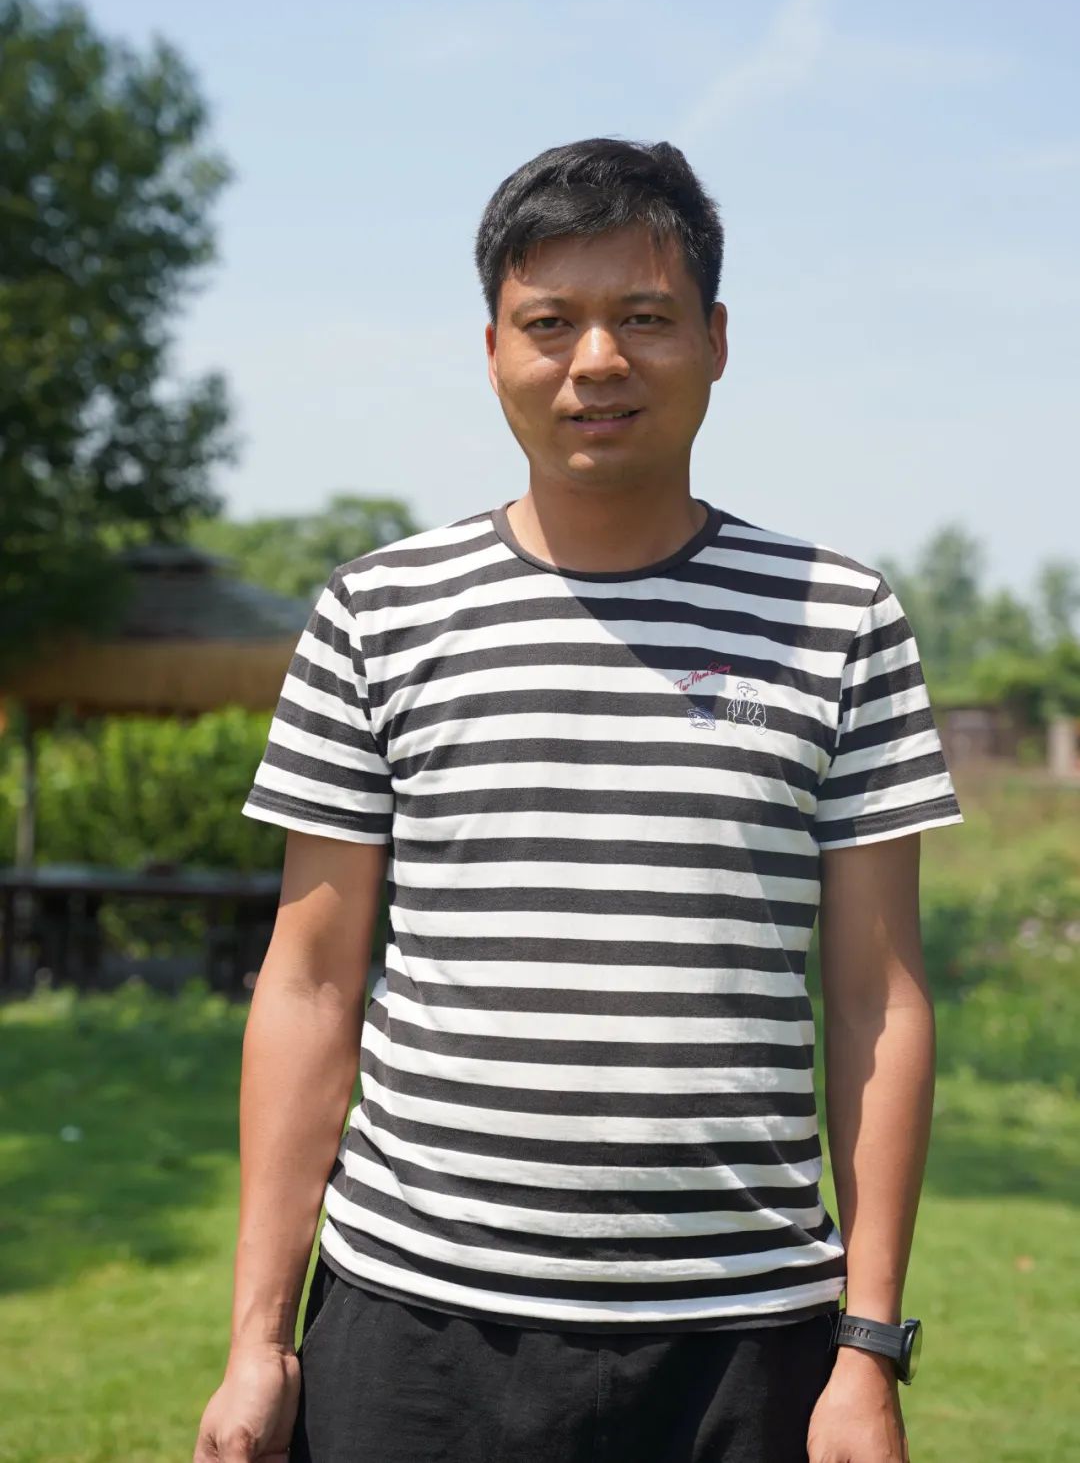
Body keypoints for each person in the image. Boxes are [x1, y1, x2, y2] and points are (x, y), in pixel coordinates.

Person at [193, 137, 964, 1463]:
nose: (596, 360)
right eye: (551, 322)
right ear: (492, 348)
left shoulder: (840, 620)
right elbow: (309, 984)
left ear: (717, 340)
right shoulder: (379, 613)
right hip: (413, 1330)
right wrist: (259, 1342)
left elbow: (877, 998)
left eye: (645, 317)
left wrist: (868, 1345)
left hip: (740, 1344)